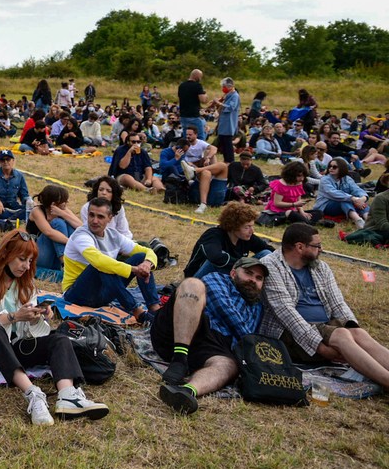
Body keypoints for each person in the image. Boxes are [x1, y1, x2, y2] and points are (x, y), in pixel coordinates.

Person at [0, 230, 109, 425]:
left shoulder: (26, 281)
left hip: (12, 347)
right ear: (6, 254)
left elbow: (36, 333)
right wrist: (12, 316)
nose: (26, 266)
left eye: (30, 261)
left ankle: (67, 396)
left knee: (59, 338)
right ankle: (33, 394)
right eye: (22, 259)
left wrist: (37, 318)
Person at [258, 224, 389, 388]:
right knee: (342, 335)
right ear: (300, 247)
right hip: (288, 333)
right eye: (317, 245)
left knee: (358, 333)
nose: (322, 249)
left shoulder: (320, 267)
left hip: (325, 327)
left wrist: (353, 328)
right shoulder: (270, 266)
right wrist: (320, 347)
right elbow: (287, 314)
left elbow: (338, 303)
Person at [151, 256, 268, 414]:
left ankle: (187, 392)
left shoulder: (257, 307)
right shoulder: (217, 279)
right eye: (248, 273)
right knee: (192, 284)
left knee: (229, 365)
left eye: (258, 278)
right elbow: (225, 310)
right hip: (183, 327)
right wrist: (250, 343)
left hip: (213, 345)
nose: (253, 280)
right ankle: (179, 360)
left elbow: (246, 340)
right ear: (233, 273)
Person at [62, 197, 159, 322]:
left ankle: (155, 309)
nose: (94, 220)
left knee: (141, 258)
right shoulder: (81, 235)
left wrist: (147, 264)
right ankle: (137, 312)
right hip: (77, 294)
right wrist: (133, 269)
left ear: (110, 218)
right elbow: (99, 262)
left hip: (103, 293)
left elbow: (147, 251)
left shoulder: (113, 235)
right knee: (101, 266)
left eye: (100, 217)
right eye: (91, 215)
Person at [29, 184, 82, 271]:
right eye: (64, 201)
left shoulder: (63, 210)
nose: (67, 202)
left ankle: (73, 260)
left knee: (70, 223)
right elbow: (49, 232)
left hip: (53, 258)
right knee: (58, 223)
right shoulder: (37, 211)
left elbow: (80, 227)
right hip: (38, 255)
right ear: (53, 204)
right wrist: (71, 243)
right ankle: (65, 263)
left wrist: (62, 214)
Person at [180, 125, 229, 215]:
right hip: (198, 173)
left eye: (190, 134)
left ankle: (196, 171)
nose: (188, 136)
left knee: (217, 160)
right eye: (186, 134)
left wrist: (208, 158)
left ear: (196, 135)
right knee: (209, 171)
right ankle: (203, 204)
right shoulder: (183, 145)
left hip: (202, 170)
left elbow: (214, 148)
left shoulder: (201, 143)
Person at [315, 157, 370, 227]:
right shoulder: (325, 179)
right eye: (330, 166)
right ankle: (358, 220)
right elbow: (334, 193)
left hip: (344, 203)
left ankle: (368, 220)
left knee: (360, 202)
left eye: (334, 167)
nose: (331, 168)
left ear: (341, 168)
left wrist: (363, 198)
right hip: (326, 206)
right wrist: (353, 198)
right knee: (345, 200)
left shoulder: (347, 178)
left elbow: (356, 189)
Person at [0, 149, 30, 225]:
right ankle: (12, 218)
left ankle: (8, 218)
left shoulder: (19, 176)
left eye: (8, 159)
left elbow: (24, 195)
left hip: (14, 207)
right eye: (2, 160)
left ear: (13, 160)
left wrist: (29, 201)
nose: (5, 162)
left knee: (30, 210)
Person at [211, 77, 241, 164]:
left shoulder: (235, 96)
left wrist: (219, 103)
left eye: (224, 86)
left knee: (228, 144)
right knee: (223, 143)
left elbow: (231, 107)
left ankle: (230, 161)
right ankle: (226, 160)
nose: (223, 88)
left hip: (229, 123)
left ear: (230, 86)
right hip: (224, 122)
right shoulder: (227, 95)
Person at [178, 68, 209, 139]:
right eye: (200, 77)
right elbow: (203, 100)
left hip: (183, 115)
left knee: (187, 137)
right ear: (197, 76)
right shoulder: (197, 86)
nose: (200, 79)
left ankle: (187, 149)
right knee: (200, 137)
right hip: (193, 115)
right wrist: (205, 94)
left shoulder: (181, 86)